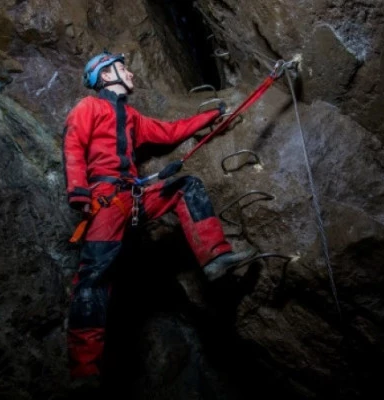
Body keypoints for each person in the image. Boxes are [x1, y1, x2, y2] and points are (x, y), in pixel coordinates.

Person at [62, 51, 255, 390]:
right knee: (93, 278)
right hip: (106, 200)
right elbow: (74, 144)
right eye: (122, 68)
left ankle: (215, 257)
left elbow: (167, 133)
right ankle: (84, 369)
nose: (130, 72)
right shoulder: (88, 108)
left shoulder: (131, 117)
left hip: (135, 196)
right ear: (106, 77)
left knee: (186, 186)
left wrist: (210, 118)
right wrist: (78, 190)